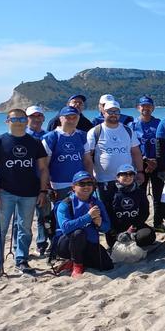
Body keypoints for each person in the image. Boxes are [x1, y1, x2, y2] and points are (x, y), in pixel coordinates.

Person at [0, 109, 50, 280]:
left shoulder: (35, 142)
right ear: (7, 121)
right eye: (15, 119)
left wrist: (43, 191)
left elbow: (43, 169)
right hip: (5, 193)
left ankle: (22, 260)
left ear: (26, 120)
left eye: (22, 118)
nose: (19, 122)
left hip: (29, 193)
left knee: (25, 229)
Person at [41, 106, 91, 256]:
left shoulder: (82, 136)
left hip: (81, 185)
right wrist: (47, 185)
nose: (71, 119)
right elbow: (44, 165)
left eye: (74, 117)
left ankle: (81, 246)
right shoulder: (51, 137)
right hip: (59, 185)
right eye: (67, 117)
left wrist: (90, 180)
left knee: (81, 215)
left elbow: (87, 160)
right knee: (61, 218)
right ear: (60, 118)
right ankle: (60, 247)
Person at [84, 100, 145, 208]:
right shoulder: (95, 131)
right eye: (110, 111)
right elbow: (88, 157)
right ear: (104, 113)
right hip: (104, 179)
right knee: (107, 208)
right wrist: (89, 177)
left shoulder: (128, 130)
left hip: (127, 178)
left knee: (127, 206)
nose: (113, 114)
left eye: (116, 112)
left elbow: (136, 152)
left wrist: (140, 171)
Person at [54, 171, 113, 277]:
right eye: (82, 184)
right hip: (68, 244)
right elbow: (65, 228)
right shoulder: (65, 204)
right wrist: (88, 217)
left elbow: (107, 227)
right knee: (78, 233)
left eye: (89, 183)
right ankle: (77, 265)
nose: (86, 186)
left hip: (89, 243)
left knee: (107, 265)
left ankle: (73, 262)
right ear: (73, 187)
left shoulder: (97, 203)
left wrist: (100, 223)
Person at [130, 96, 164, 230]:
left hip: (156, 164)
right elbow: (131, 147)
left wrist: (155, 162)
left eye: (149, 106)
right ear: (138, 108)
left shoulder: (159, 123)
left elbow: (162, 144)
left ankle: (158, 223)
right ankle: (140, 223)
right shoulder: (132, 125)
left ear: (153, 108)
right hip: (140, 165)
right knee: (140, 196)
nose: (146, 108)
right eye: (143, 106)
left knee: (158, 195)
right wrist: (145, 161)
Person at [106, 164, 155, 248]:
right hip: (118, 228)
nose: (128, 177)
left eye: (130, 174)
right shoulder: (111, 193)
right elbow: (108, 215)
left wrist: (133, 228)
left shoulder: (139, 192)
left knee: (148, 236)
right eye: (124, 174)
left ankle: (131, 239)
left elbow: (145, 212)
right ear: (117, 177)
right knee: (112, 241)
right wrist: (117, 234)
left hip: (135, 226)